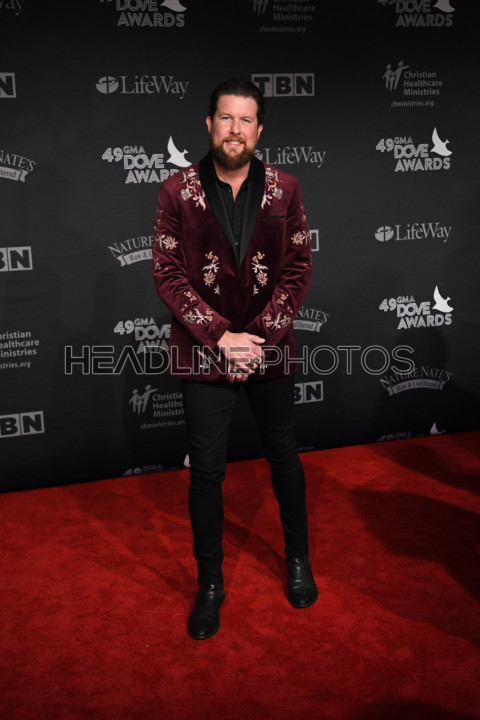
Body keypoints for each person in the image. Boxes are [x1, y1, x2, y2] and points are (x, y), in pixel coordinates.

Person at [152, 77, 318, 640]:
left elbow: (297, 270)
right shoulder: (176, 191)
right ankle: (210, 584)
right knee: (207, 473)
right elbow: (168, 274)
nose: (235, 130)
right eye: (226, 118)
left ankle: (298, 559)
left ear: (259, 129)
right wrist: (222, 338)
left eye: (246, 120)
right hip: (204, 352)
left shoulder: (285, 188)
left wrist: (257, 340)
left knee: (283, 456)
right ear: (209, 124)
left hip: (268, 348)